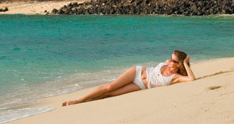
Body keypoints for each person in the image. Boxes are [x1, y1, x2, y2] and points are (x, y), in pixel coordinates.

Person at [62, 50, 195, 106]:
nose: (170, 60)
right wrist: (180, 61)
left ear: (178, 64)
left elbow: (191, 79)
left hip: (141, 85)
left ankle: (88, 100)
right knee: (109, 87)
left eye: (174, 60)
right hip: (137, 72)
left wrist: (185, 63)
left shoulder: (176, 77)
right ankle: (78, 101)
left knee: (111, 94)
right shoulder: (166, 62)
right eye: (171, 58)